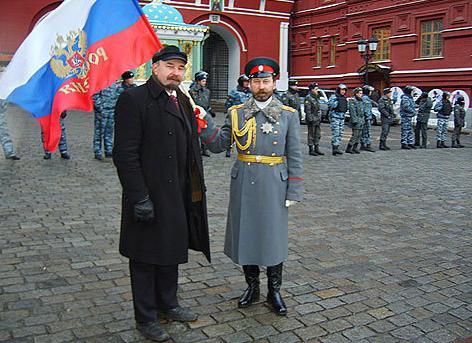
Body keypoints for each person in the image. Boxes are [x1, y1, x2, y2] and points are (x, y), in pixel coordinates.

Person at [113, 45, 211, 342]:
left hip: (179, 191)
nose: (176, 73)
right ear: (154, 67)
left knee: (170, 251)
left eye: (181, 68)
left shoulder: (181, 97)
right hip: (150, 192)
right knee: (144, 257)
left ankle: (168, 304)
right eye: (170, 66)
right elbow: (125, 153)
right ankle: (146, 317)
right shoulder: (134, 98)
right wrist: (139, 196)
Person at [199, 57, 303, 316]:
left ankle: (274, 291)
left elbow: (296, 155)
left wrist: (294, 190)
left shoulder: (288, 115)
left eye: (266, 81)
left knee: (273, 237)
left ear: (274, 82)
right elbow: (219, 144)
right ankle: (252, 287)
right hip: (244, 180)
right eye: (256, 81)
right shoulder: (236, 113)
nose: (261, 86)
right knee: (246, 234)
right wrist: (202, 122)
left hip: (274, 183)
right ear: (249, 84)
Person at [92, 77, 122, 160]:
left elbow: (119, 95)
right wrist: (100, 107)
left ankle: (108, 150)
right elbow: (95, 96)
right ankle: (97, 151)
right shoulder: (100, 83)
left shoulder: (116, 83)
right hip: (102, 111)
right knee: (99, 132)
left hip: (112, 110)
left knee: (109, 132)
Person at [224, 74, 252, 157]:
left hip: (247, 116)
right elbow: (228, 104)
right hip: (236, 116)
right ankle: (228, 148)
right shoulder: (234, 92)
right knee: (231, 133)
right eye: (245, 82)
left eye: (248, 81)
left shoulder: (251, 92)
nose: (247, 83)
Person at [189, 71, 213, 157]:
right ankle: (195, 149)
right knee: (195, 133)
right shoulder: (191, 91)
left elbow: (208, 102)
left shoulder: (207, 91)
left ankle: (204, 149)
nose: (205, 82)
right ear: (198, 81)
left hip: (205, 113)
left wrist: (210, 110)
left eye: (205, 81)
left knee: (205, 132)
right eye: (203, 80)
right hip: (195, 114)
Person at [304, 82, 324, 156]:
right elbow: (307, 110)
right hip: (312, 119)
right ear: (311, 90)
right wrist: (310, 119)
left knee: (317, 134)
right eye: (316, 89)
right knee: (311, 134)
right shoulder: (308, 98)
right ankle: (311, 149)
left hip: (317, 119)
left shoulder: (316, 97)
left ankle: (317, 148)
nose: (317, 90)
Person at [328, 84, 348, 155]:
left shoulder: (344, 97)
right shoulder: (334, 97)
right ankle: (334, 148)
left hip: (342, 117)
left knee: (340, 133)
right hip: (335, 117)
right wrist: (338, 101)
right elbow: (330, 105)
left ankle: (337, 147)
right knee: (336, 133)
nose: (343, 91)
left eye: (344, 90)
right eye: (342, 90)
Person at [345, 87, 364, 154]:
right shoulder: (352, 100)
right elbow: (352, 112)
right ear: (356, 94)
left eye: (362, 93)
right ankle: (349, 148)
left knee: (359, 135)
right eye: (360, 93)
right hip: (356, 120)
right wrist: (355, 121)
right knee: (355, 135)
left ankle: (355, 148)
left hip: (361, 120)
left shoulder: (360, 100)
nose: (361, 94)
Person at [400, 85, 417, 149]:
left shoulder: (410, 98)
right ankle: (404, 143)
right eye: (412, 91)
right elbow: (406, 107)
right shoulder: (405, 98)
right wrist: (413, 111)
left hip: (409, 116)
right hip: (405, 116)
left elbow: (412, 105)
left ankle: (410, 142)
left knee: (410, 130)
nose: (413, 92)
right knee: (405, 130)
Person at [361, 85, 375, 152]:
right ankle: (367, 145)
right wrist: (368, 117)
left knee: (364, 132)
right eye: (370, 91)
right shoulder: (366, 99)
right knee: (367, 132)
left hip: (365, 118)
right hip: (366, 119)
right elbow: (366, 110)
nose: (371, 92)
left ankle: (363, 144)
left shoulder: (364, 98)